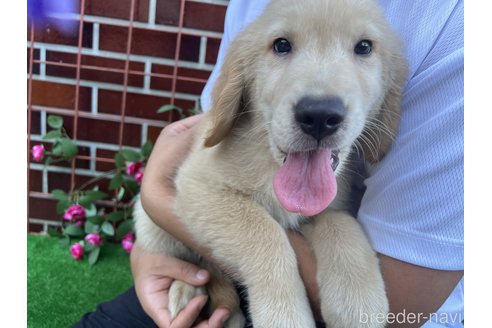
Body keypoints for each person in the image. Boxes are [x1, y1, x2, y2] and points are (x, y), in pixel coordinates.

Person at [74, 0, 464, 327]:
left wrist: (157, 194)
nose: (320, 100)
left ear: (391, 85)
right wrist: (150, 252)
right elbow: (199, 181)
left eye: (363, 48)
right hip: (203, 260)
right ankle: (216, 288)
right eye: (282, 46)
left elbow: (396, 310)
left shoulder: (458, 22)